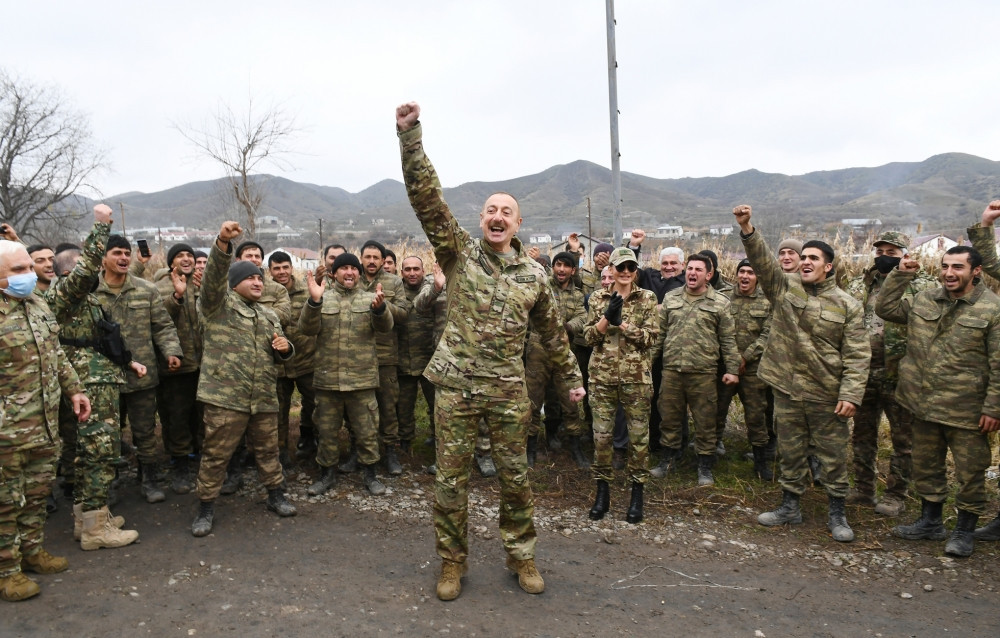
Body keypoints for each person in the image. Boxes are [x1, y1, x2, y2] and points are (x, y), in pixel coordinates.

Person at [397, 101, 584, 601]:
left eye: (507, 212)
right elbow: (427, 200)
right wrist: (410, 136)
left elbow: (554, 334)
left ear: (519, 224)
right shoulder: (458, 252)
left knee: (515, 478)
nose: (497, 217)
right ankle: (452, 563)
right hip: (455, 387)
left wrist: (572, 379)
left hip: (506, 391)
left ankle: (522, 557)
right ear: (481, 220)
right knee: (450, 483)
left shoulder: (535, 277)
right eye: (490, 210)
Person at [733, 204, 869, 543]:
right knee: (790, 452)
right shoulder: (784, 288)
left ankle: (837, 513)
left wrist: (851, 395)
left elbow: (857, 355)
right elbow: (763, 261)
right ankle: (790, 506)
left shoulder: (848, 305)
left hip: (826, 394)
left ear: (829, 266)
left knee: (833, 456)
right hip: (788, 390)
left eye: (813, 258)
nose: (805, 261)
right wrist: (748, 229)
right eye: (802, 256)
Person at [875, 245, 1000, 557]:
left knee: (970, 473)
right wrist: (901, 274)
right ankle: (930, 522)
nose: (949, 273)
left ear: (976, 272)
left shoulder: (991, 310)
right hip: (922, 403)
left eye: (958, 267)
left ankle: (965, 531)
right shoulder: (926, 298)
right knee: (926, 467)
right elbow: (885, 308)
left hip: (966, 410)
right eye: (945, 266)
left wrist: (993, 407)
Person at [190, 221, 297, 537]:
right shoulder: (216, 307)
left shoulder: (269, 315)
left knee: (268, 451)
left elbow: (280, 349)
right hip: (226, 399)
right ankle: (206, 507)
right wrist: (223, 242)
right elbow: (211, 282)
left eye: (259, 278)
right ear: (233, 283)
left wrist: (285, 348)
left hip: (262, 397)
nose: (257, 282)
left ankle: (276, 495)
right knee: (215, 455)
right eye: (249, 277)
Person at [44, 205, 142, 550]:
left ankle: (88, 517)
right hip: (89, 385)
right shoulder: (64, 294)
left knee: (92, 453)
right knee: (99, 452)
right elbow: (86, 272)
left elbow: (100, 340)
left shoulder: (85, 302)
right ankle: (95, 531)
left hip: (98, 380)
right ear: (71, 272)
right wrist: (101, 228)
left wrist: (128, 363)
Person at [0, 235, 91, 601]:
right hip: (6, 433)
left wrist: (75, 390)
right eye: (18, 269)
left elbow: (55, 355)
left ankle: (32, 551)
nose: (29, 274)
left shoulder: (36, 303)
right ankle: (7, 570)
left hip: (44, 424)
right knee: (6, 501)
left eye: (28, 267)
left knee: (37, 494)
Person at [845, 232, 934, 516]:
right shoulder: (859, 283)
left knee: (903, 439)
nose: (884, 255)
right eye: (880, 250)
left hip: (901, 373)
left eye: (892, 252)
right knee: (862, 434)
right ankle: (863, 488)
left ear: (905, 255)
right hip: (863, 371)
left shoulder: (924, 287)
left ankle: (896, 494)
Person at [94, 235, 183, 504]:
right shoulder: (89, 293)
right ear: (103, 258)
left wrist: (171, 351)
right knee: (107, 431)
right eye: (116, 253)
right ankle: (108, 481)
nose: (123, 258)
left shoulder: (146, 290)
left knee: (144, 430)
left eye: (126, 253)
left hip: (141, 375)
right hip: (103, 376)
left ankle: (149, 477)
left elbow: (163, 325)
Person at [301, 252, 392, 497]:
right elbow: (306, 329)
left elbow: (386, 328)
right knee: (326, 430)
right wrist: (314, 303)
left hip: (361, 381)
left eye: (354, 268)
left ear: (359, 274)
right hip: (328, 381)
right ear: (334, 273)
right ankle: (326, 475)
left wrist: (381, 309)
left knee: (366, 431)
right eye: (344, 269)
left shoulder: (371, 298)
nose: (349, 272)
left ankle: (370, 475)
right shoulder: (322, 298)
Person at [583, 247, 658, 523]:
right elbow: (588, 337)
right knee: (601, 438)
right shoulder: (597, 298)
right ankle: (602, 493)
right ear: (611, 270)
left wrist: (623, 325)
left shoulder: (647, 298)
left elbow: (651, 338)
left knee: (638, 439)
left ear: (635, 271)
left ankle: (637, 494)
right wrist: (606, 318)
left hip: (635, 379)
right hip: (601, 378)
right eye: (620, 267)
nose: (625, 272)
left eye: (630, 267)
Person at [652, 254, 740, 486]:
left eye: (698, 270)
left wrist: (733, 370)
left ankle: (704, 466)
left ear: (708, 275)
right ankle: (668, 460)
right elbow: (660, 336)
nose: (692, 273)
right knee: (669, 419)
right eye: (689, 269)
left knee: (705, 421)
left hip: (703, 372)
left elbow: (728, 341)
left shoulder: (720, 303)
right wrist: (647, 363)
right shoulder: (671, 299)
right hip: (672, 371)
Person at [525, 251, 588, 468]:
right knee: (532, 399)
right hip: (538, 347)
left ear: (573, 270)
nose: (561, 269)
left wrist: (568, 328)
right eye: (557, 265)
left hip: (563, 349)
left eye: (565, 266)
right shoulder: (542, 286)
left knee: (570, 400)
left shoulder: (578, 295)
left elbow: (582, 316)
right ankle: (530, 449)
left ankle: (575, 448)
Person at [715, 259, 773, 480]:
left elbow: (768, 334)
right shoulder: (724, 297)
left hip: (753, 369)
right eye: (742, 272)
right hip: (724, 366)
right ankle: (710, 457)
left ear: (757, 277)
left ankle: (761, 462)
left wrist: (745, 357)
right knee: (717, 411)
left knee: (756, 415)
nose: (745, 276)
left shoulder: (767, 301)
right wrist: (730, 360)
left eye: (751, 272)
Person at [357, 239, 411, 476]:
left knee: (388, 407)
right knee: (358, 409)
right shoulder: (351, 279)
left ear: (382, 260)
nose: (371, 261)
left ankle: (390, 452)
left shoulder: (393, 282)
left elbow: (403, 314)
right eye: (367, 257)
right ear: (361, 258)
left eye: (375, 258)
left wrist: (382, 304)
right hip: (356, 356)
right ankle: (357, 451)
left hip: (385, 356)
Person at [155, 243, 204, 494]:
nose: (186, 259)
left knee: (202, 414)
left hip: (203, 363)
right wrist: (177, 296)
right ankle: (181, 464)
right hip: (177, 364)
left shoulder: (200, 282)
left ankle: (203, 458)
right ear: (171, 261)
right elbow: (159, 320)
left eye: (190, 255)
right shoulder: (161, 285)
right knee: (178, 415)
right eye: (180, 255)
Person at [269, 251, 317, 468]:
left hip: (307, 362)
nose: (281, 272)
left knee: (315, 405)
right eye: (276, 268)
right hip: (278, 365)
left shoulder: (307, 290)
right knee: (279, 410)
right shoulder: (264, 293)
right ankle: (280, 452)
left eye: (285, 267)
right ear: (270, 271)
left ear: (291, 268)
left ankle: (314, 444)